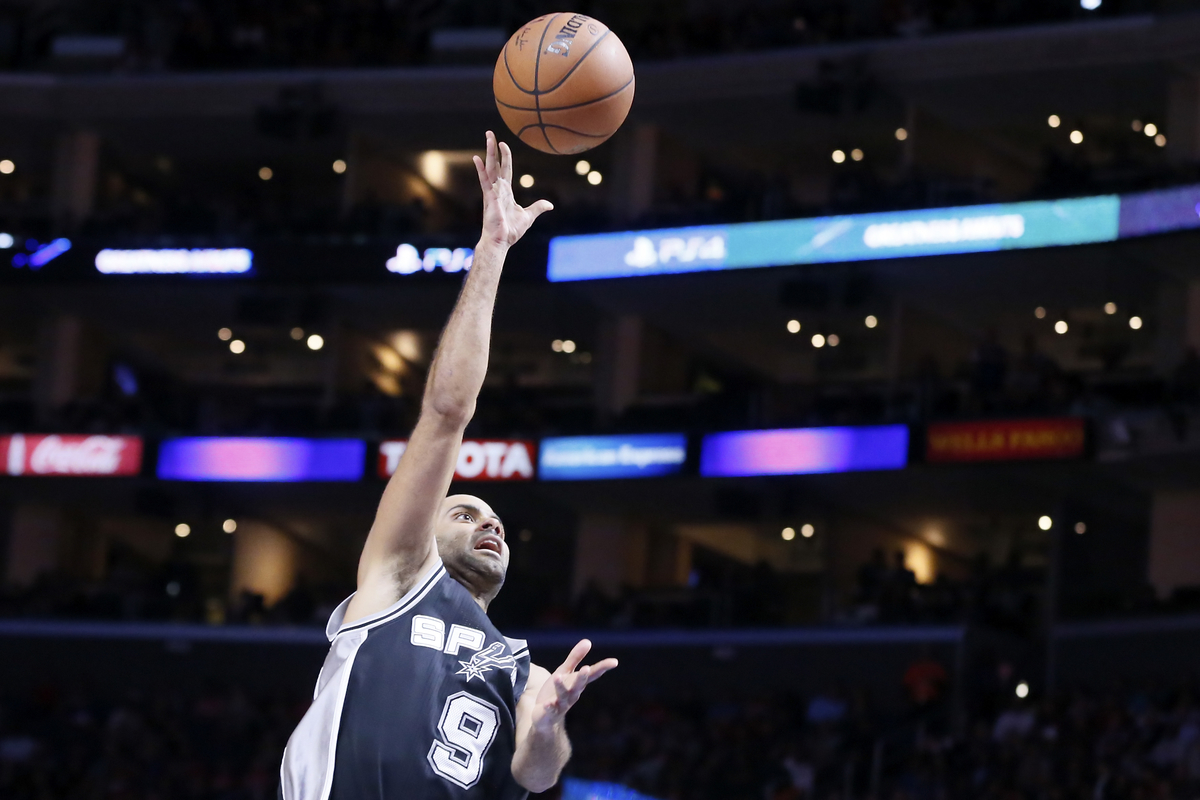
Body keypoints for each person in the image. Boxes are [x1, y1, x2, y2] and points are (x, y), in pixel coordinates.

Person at [279, 132, 618, 800]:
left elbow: (537, 773)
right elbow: (446, 411)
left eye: (496, 522)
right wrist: (493, 250)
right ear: (423, 534)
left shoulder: (524, 669)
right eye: (464, 512)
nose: (490, 525)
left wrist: (548, 723)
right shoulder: (400, 577)